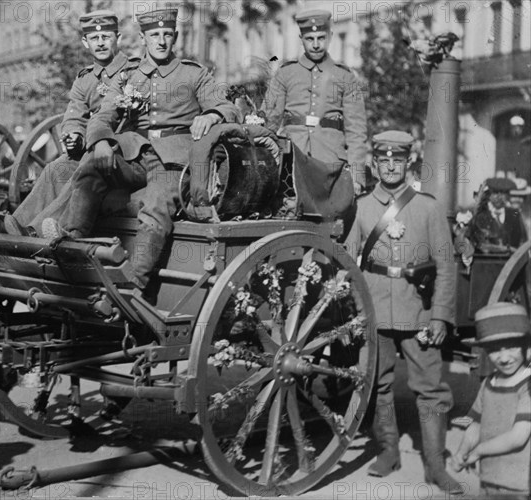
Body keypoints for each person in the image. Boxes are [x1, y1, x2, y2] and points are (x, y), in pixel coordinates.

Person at [42, 8, 238, 292]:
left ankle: (135, 282)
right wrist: (100, 142)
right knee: (91, 169)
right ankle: (73, 241)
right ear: (144, 38)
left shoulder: (192, 73)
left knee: (156, 206)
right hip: (137, 154)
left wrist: (211, 116)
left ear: (175, 37)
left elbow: (225, 104)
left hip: (175, 159)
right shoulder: (130, 77)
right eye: (154, 35)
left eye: (167, 35)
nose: (161, 41)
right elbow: (103, 113)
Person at [344, 131, 463, 494]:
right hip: (375, 310)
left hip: (419, 313)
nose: (391, 166)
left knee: (430, 389)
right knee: (376, 385)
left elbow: (446, 265)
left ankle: (436, 466)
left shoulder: (427, 207)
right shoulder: (361, 208)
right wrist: (354, 313)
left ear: (408, 162)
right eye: (384, 160)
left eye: (398, 160)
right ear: (375, 163)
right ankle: (388, 451)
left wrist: (440, 316)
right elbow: (349, 265)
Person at [0, 10, 136, 236]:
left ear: (118, 38)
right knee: (56, 168)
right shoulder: (85, 78)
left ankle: (35, 231)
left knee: (84, 167)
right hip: (91, 152)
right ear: (86, 42)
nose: (101, 43)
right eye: (95, 38)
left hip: (121, 154)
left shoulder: (134, 72)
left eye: (106, 37)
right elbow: (74, 115)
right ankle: (16, 225)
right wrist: (74, 135)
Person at [261, 10, 368, 193]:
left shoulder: (345, 77)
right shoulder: (285, 74)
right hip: (291, 159)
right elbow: (269, 121)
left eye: (321, 38)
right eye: (310, 39)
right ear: (301, 38)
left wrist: (357, 177)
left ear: (331, 36)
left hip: (331, 163)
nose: (316, 45)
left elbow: (356, 131)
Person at [453, 302, 530, 499]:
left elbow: (517, 437)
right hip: (489, 477)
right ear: (485, 351)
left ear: (526, 347)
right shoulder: (489, 382)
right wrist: (464, 450)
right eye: (495, 350)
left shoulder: (527, 386)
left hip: (520, 485)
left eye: (512, 347)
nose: (504, 358)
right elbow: (476, 424)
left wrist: (478, 451)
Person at [468, 177, 528, 252]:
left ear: (508, 195)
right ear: (489, 195)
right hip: (485, 261)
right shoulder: (479, 215)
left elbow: (523, 242)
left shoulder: (515, 214)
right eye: (495, 192)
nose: (499, 196)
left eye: (503, 192)